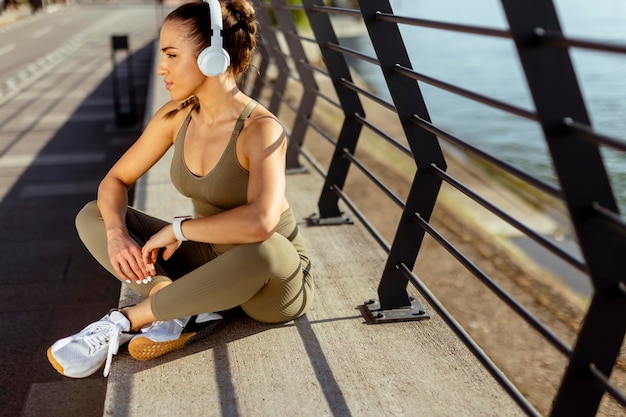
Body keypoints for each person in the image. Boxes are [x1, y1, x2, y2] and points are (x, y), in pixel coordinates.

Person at [47, 0, 313, 379]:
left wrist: (178, 229)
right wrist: (117, 234)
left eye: (172, 55)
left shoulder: (260, 128)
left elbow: (261, 223)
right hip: (209, 259)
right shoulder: (176, 116)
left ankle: (125, 321)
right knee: (94, 213)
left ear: (212, 58)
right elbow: (115, 181)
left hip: (271, 283)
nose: (162, 68)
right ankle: (177, 305)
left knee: (267, 248)